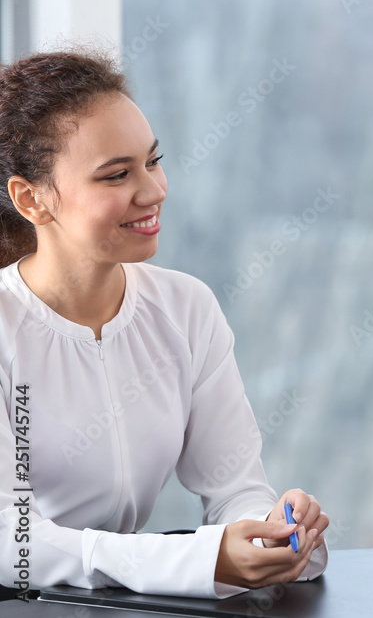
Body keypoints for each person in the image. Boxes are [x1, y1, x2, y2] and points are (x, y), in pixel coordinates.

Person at [0, 51, 329, 599]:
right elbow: (14, 545)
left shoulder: (186, 307)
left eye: (153, 161)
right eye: (117, 175)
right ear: (32, 200)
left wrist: (272, 531)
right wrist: (199, 558)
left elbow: (235, 489)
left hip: (121, 596)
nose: (153, 191)